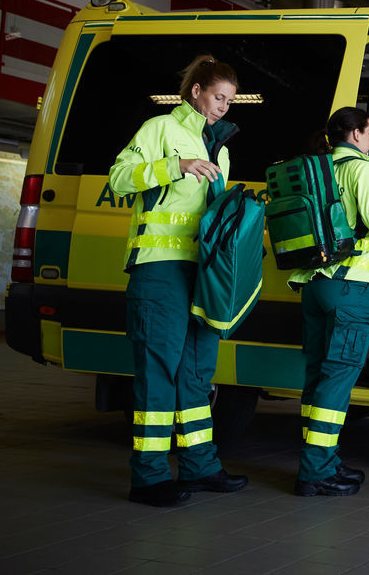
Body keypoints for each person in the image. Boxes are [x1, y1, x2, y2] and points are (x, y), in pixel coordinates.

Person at [108, 54, 249, 507]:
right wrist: (176, 166)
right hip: (160, 268)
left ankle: (200, 466)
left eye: (230, 100)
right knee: (158, 370)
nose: (224, 107)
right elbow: (119, 179)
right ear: (196, 92)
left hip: (204, 271)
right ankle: (148, 477)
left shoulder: (221, 147)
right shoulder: (160, 130)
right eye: (218, 97)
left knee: (196, 371)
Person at [288, 107, 369, 497]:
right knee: (337, 378)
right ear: (355, 133)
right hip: (350, 286)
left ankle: (322, 458)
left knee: (318, 375)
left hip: (315, 283)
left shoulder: (320, 168)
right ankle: (315, 471)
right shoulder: (364, 170)